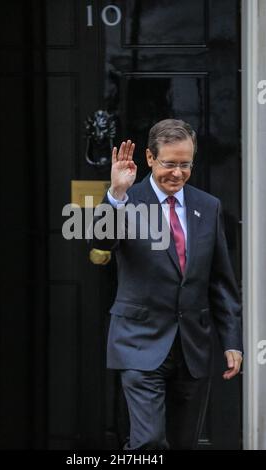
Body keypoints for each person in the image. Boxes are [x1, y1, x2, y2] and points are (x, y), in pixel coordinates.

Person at [91, 119, 243, 450]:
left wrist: (232, 340)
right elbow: (100, 242)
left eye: (185, 164)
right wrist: (116, 193)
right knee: (148, 444)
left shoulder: (208, 206)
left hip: (192, 346)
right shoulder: (127, 200)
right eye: (169, 163)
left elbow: (220, 281)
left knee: (182, 442)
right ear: (149, 158)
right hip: (139, 343)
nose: (177, 172)